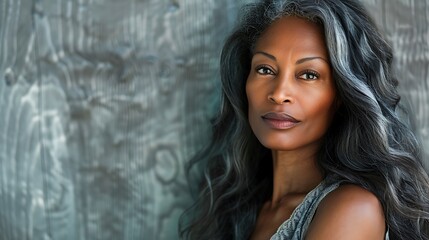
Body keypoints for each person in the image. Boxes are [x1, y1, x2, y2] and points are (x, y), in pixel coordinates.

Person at [179, 0, 429, 239]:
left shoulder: (352, 209)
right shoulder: (239, 207)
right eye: (265, 69)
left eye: (308, 74)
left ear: (342, 94)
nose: (278, 94)